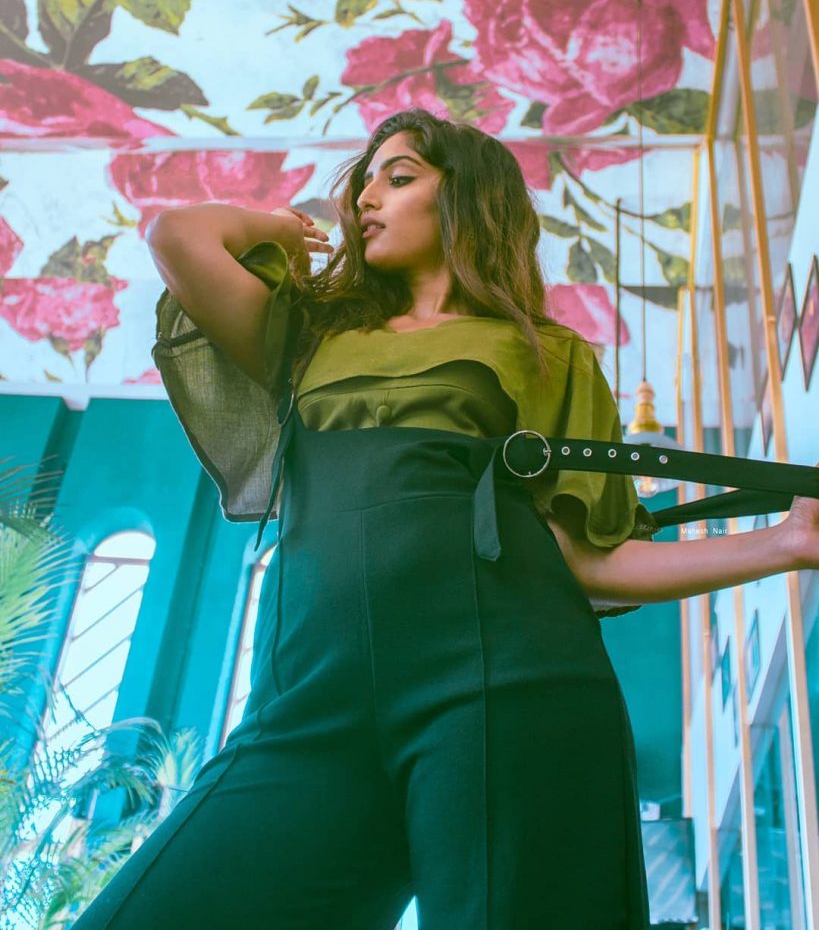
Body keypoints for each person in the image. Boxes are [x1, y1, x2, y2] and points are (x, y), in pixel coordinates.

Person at [73, 108, 818, 929]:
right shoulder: (311, 336)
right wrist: (277, 228)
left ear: (466, 198)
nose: (365, 198)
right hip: (306, 702)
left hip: (505, 686)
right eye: (363, 183)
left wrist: (784, 543)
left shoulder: (544, 353)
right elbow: (179, 237)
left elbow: (589, 561)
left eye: (398, 178)